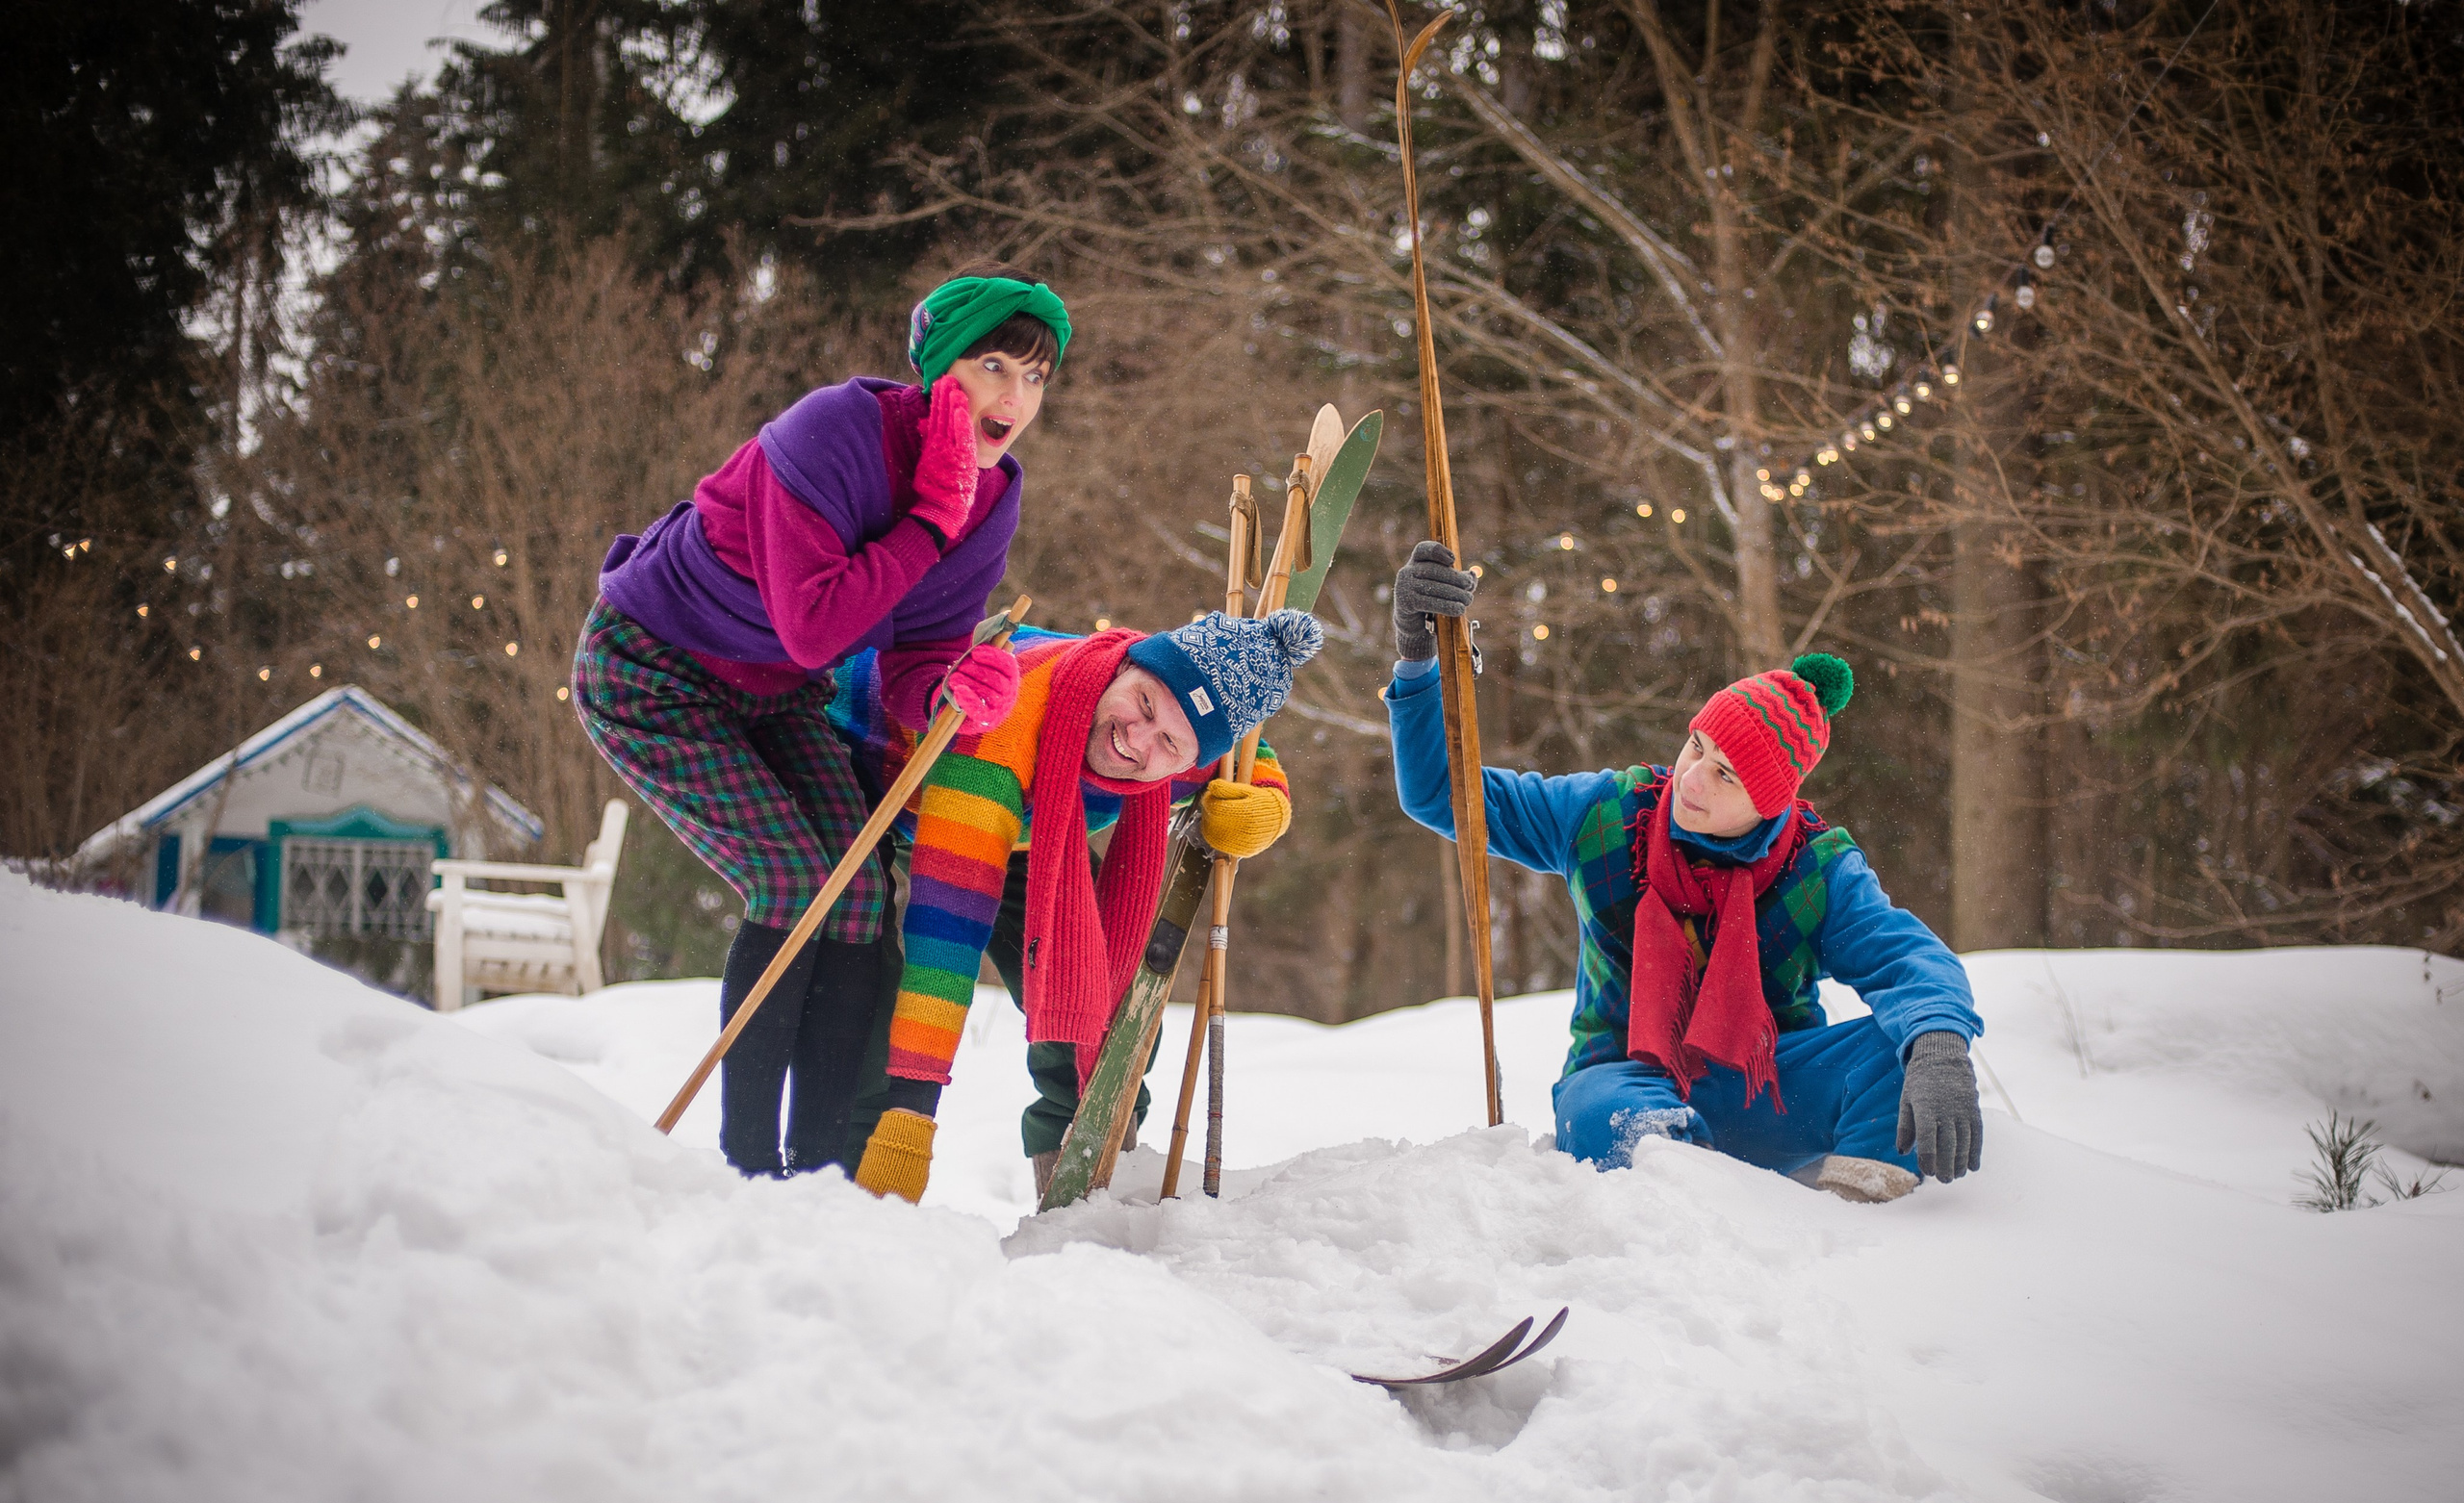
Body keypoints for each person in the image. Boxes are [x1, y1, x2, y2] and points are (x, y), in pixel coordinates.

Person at [572, 263, 1068, 1178]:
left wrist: (950, 696)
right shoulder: (833, 433)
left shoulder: (994, 497)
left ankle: (820, 1172)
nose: (1016, 395)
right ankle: (746, 1169)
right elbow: (816, 629)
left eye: (1036, 376)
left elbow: (916, 649)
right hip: (653, 671)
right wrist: (929, 517)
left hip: (769, 695)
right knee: (797, 882)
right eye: (994, 364)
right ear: (942, 368)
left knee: (863, 896)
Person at [1384, 542, 1985, 1202]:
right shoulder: (1606, 815)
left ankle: (1851, 1229)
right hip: (1623, 1076)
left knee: (1894, 1055)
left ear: (1771, 802)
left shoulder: (1817, 867)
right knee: (1609, 1115)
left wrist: (1938, 1044)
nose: (1691, 779)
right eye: (1696, 746)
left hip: (1765, 1092)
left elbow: (1908, 958)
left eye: (1724, 774)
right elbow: (1443, 793)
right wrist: (1419, 663)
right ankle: (1678, 1221)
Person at [824, 608, 1324, 1202]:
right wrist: (910, 1120)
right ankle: (855, 1205)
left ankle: (1077, 1202)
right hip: (866, 770)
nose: (1136, 739)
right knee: (866, 995)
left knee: (1098, 994)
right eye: (1141, 705)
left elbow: (1247, 749)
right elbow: (946, 941)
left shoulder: (1184, 723)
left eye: (1168, 740)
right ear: (1123, 667)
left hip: (1029, 818)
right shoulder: (1004, 726)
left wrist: (1266, 803)